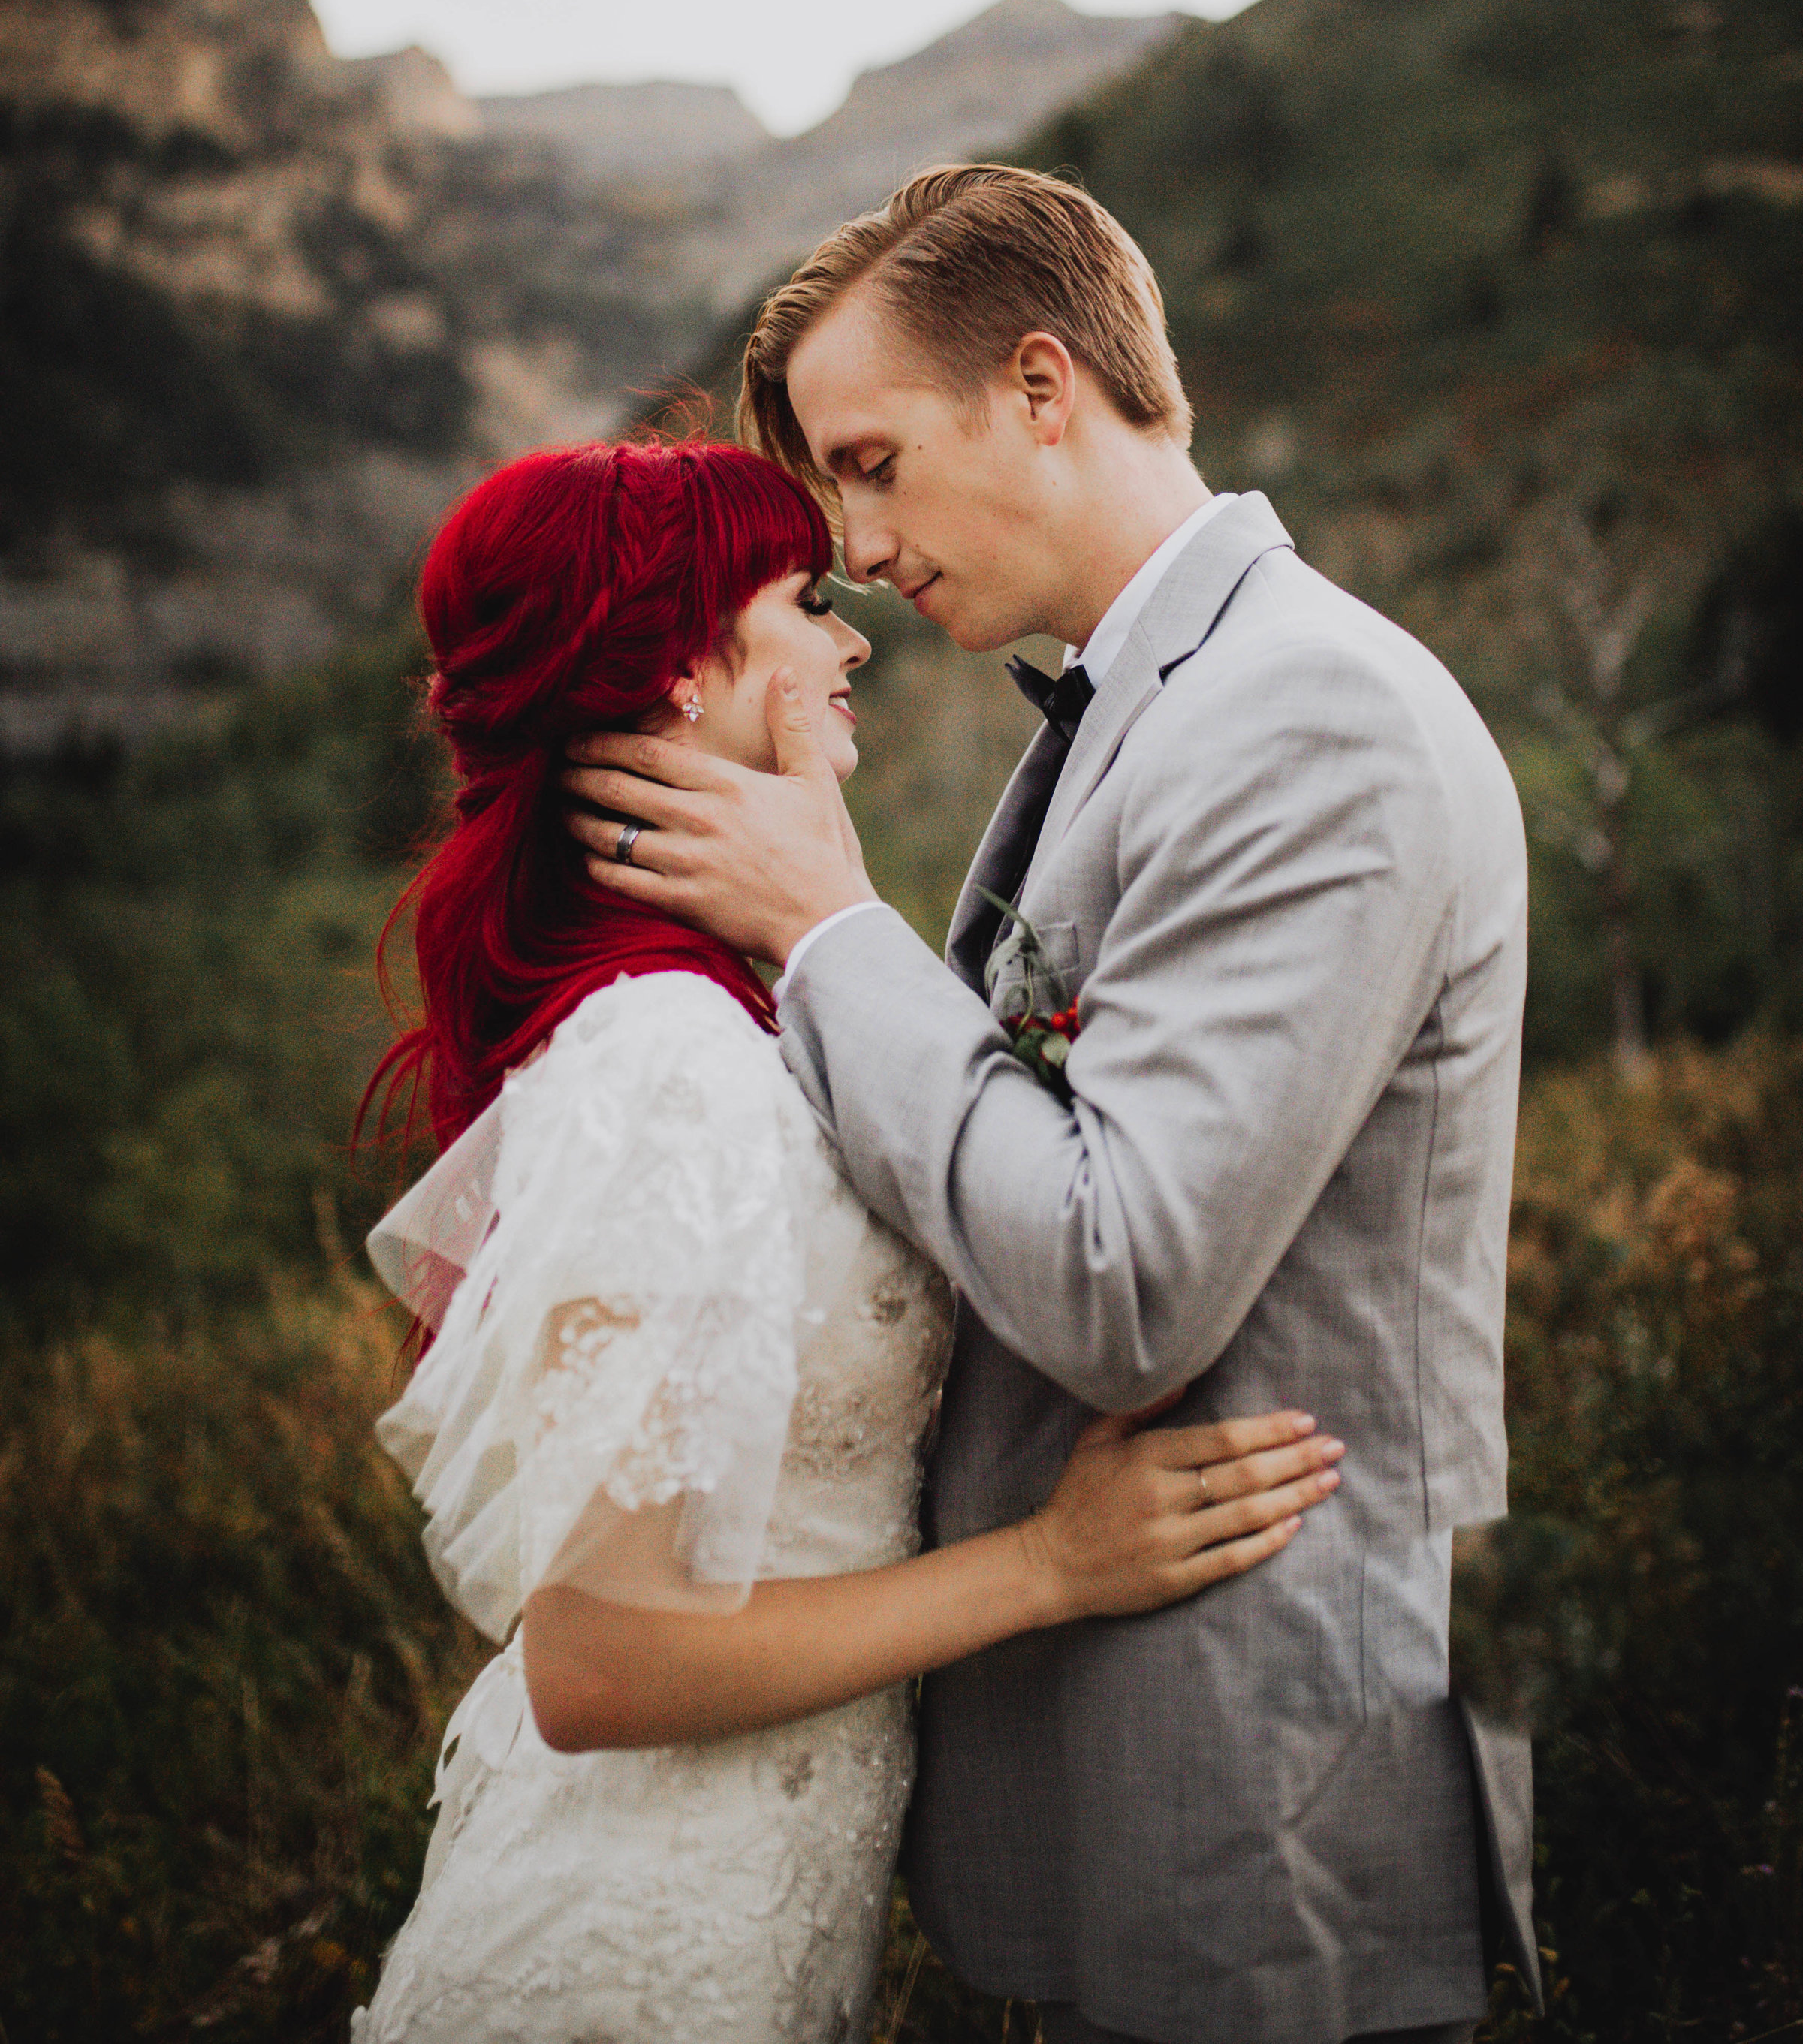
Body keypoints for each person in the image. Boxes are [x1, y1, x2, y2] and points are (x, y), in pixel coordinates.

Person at [564, 163, 1544, 2044]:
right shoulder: (1146, 707)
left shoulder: (1304, 715)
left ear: (1037, 386)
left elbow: (1123, 1281)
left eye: (868, 463)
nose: (850, 542)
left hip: (1245, 1814)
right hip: (1101, 1795)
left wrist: (828, 925)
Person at [351, 435, 1344, 2044]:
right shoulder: (662, 1064)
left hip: (748, 1924)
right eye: (799, 601)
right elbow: (598, 1666)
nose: (847, 634)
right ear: (682, 667)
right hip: (629, 1964)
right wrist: (1047, 1565)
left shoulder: (719, 1025)